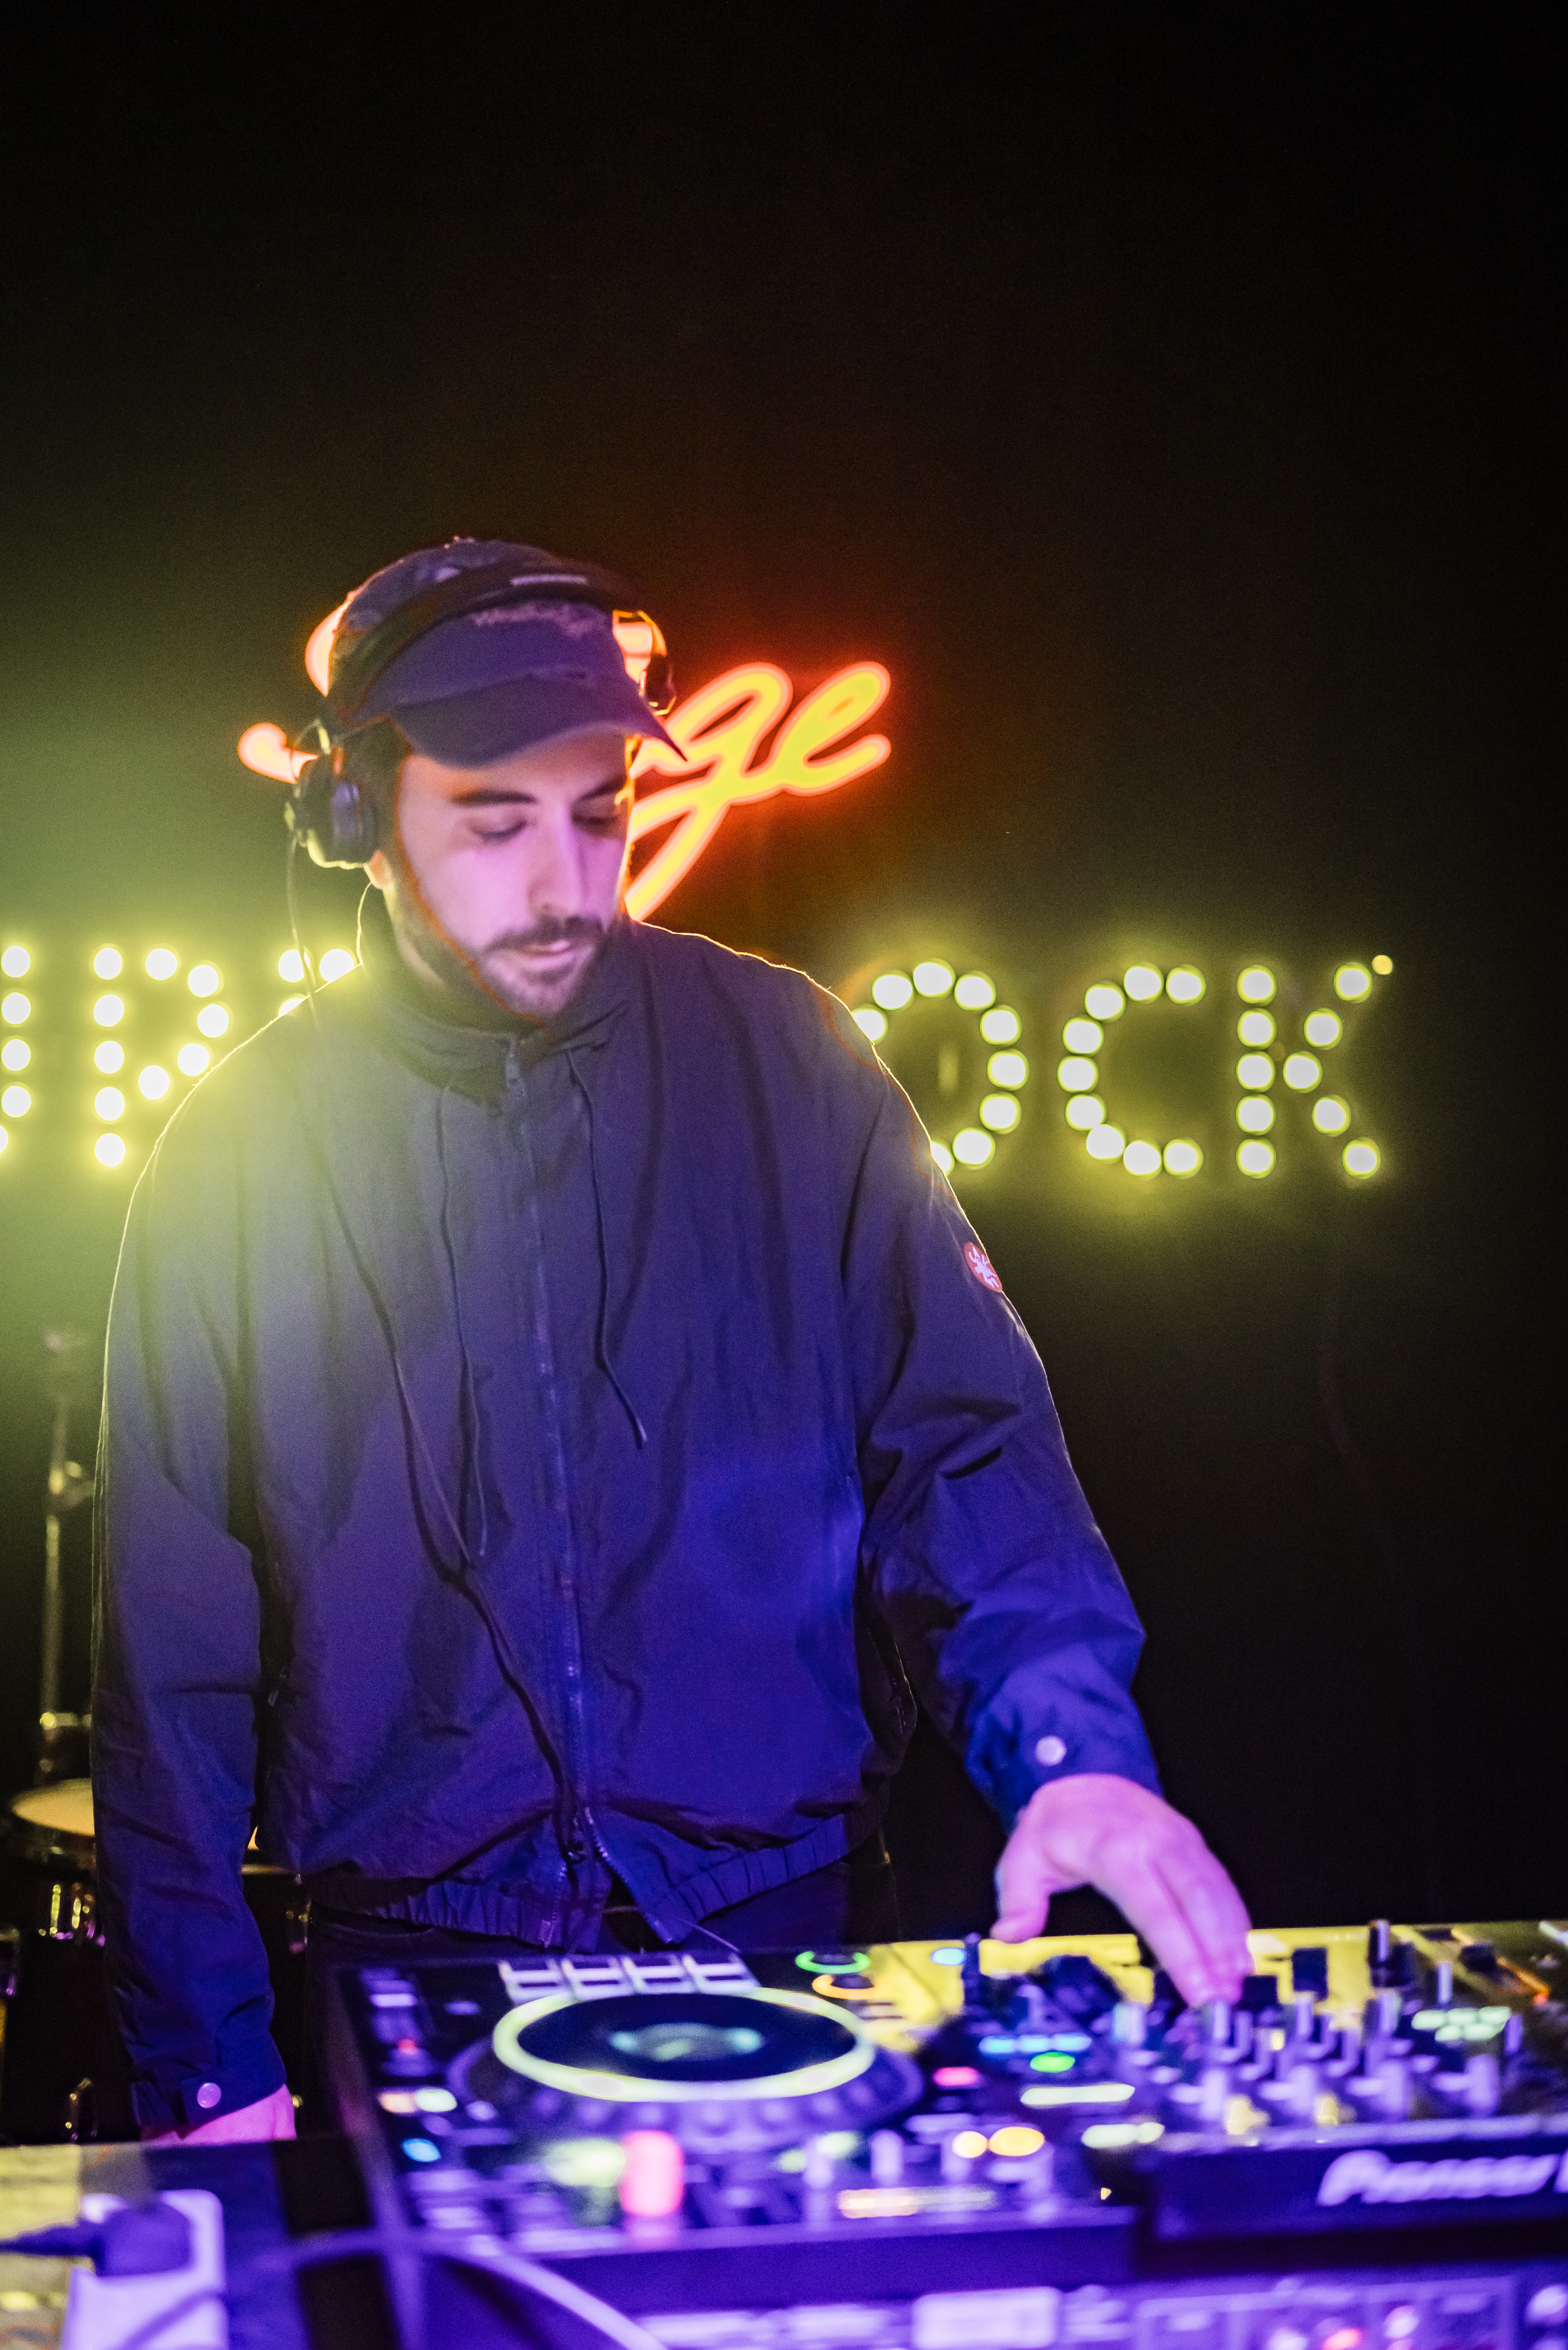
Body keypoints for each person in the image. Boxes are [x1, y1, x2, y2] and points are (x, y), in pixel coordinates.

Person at [93, 538, 1251, 2148]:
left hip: (788, 1931)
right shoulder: (238, 1147)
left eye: (601, 813)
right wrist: (210, 2067)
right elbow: (169, 1660)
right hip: (411, 1958)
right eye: (495, 822)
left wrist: (1074, 1755)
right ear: (354, 811)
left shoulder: (792, 1062)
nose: (565, 884)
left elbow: (968, 1456)